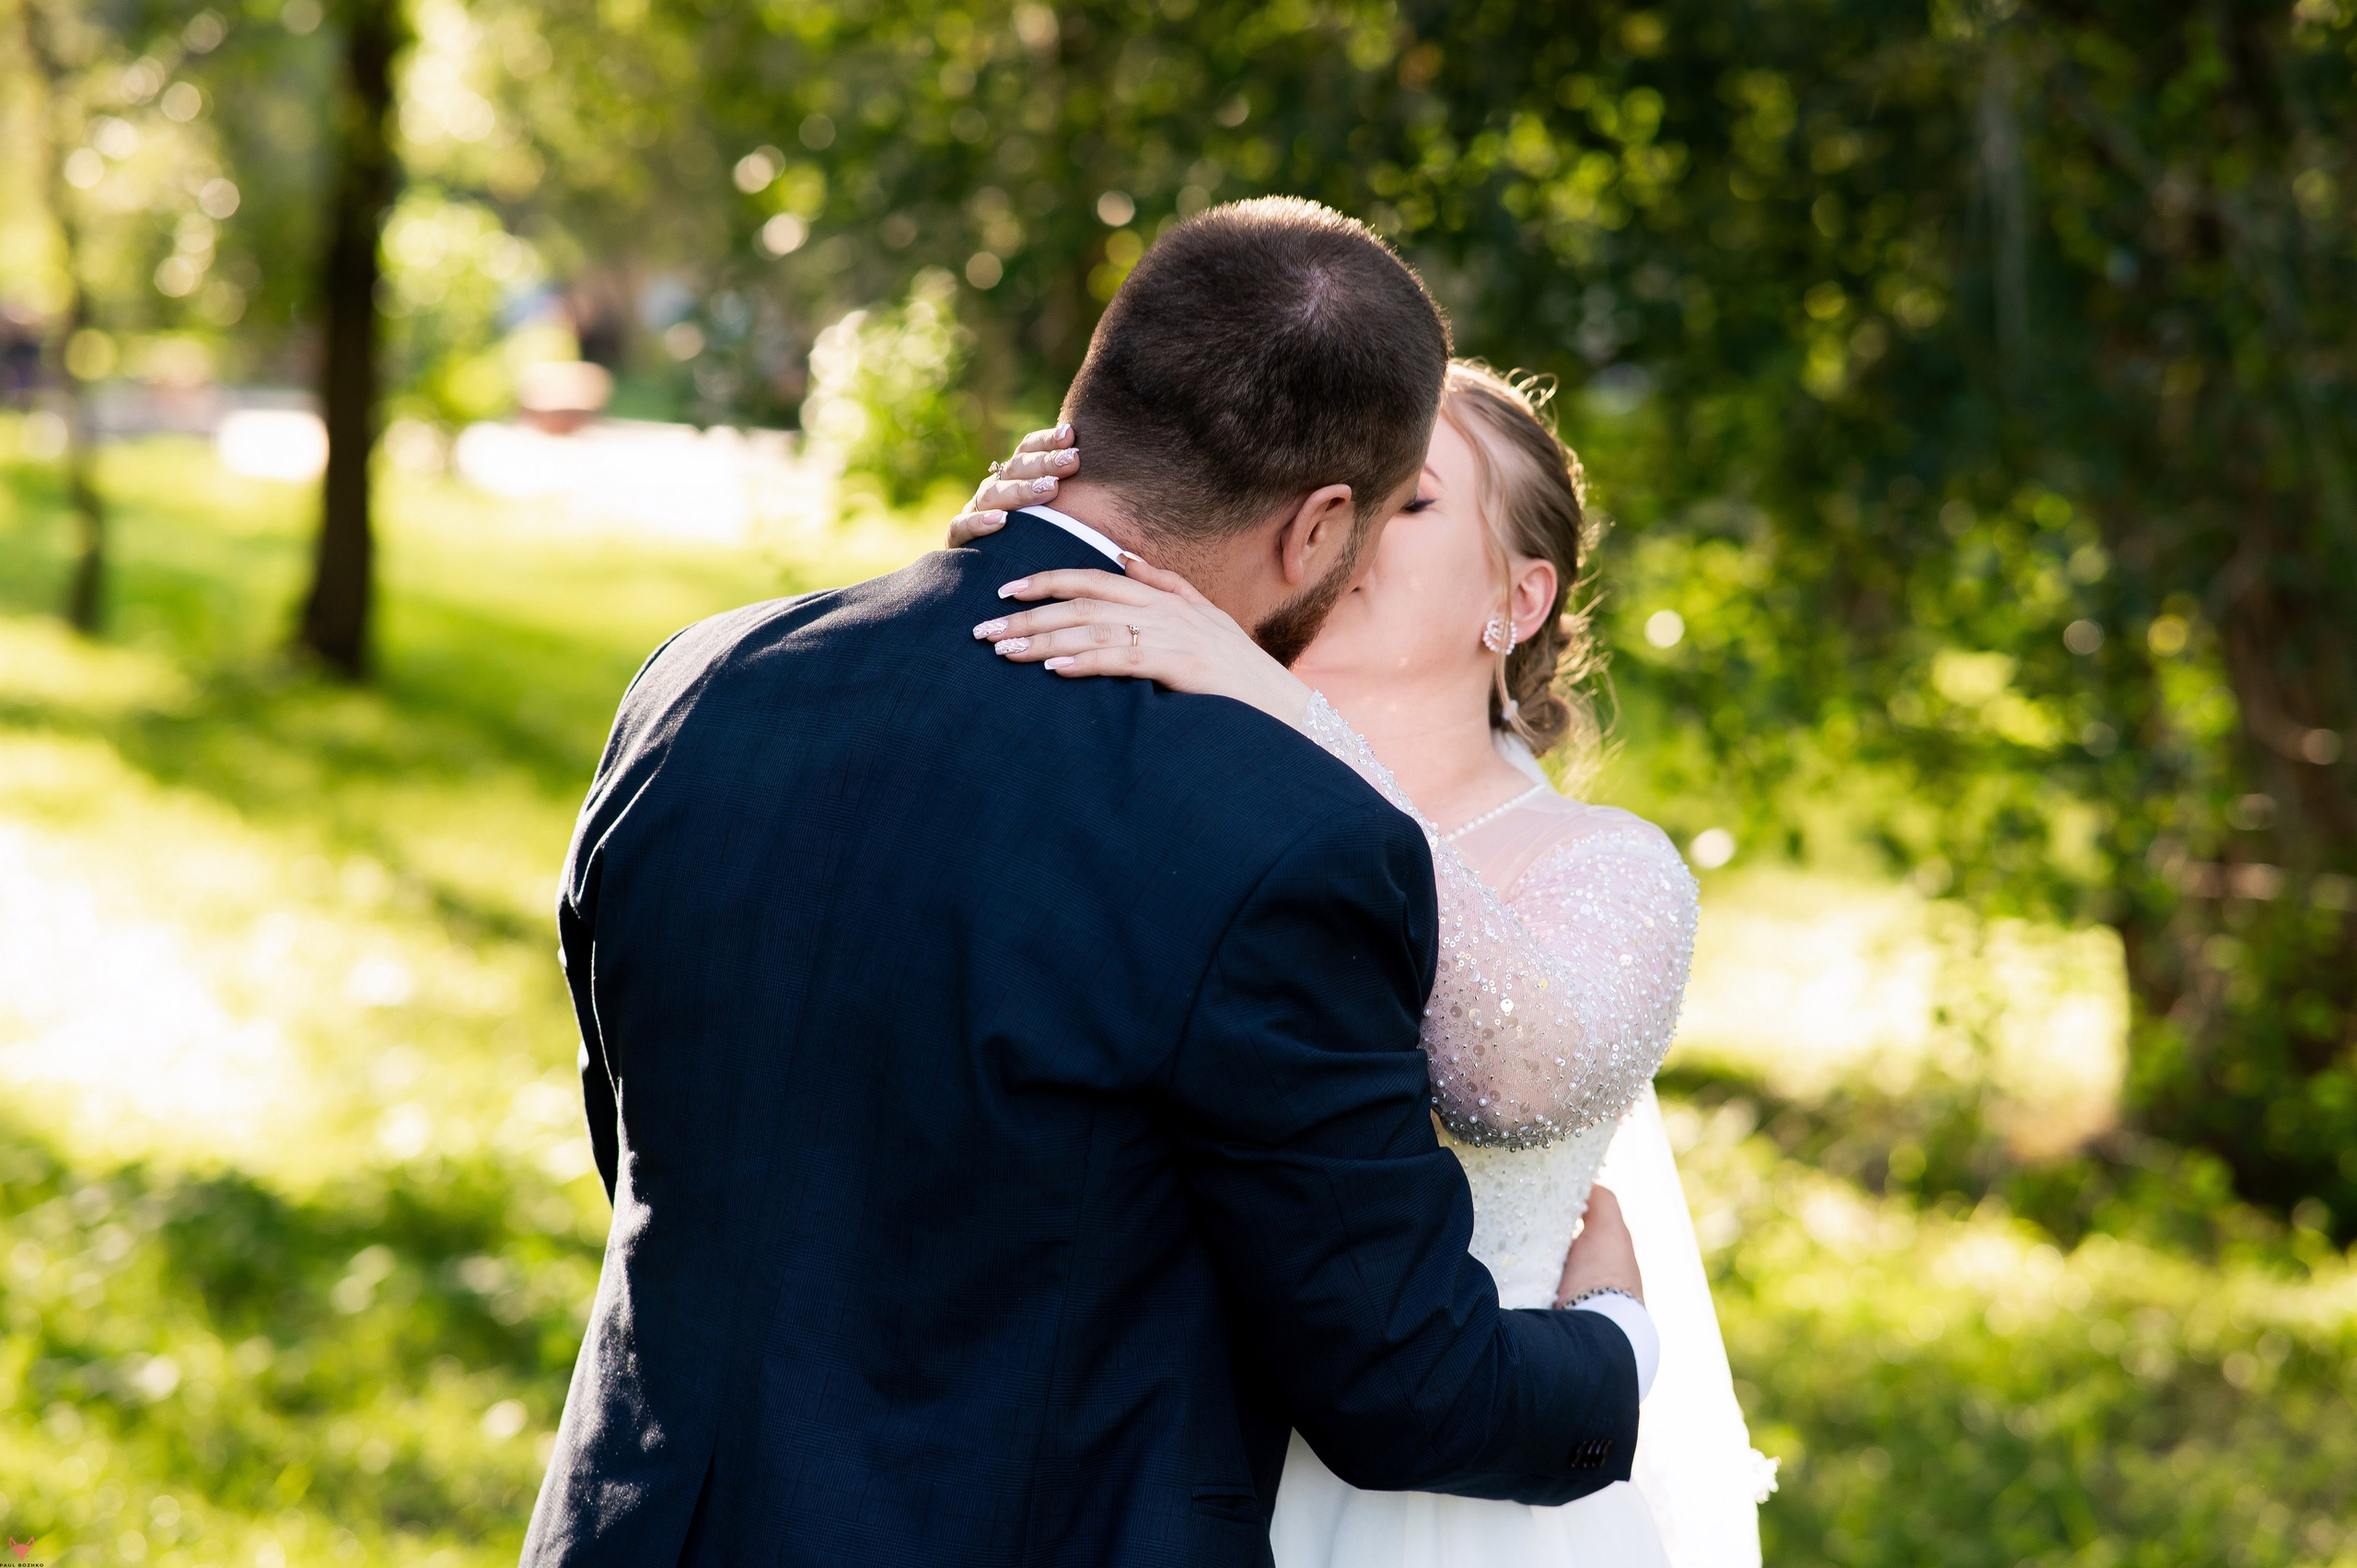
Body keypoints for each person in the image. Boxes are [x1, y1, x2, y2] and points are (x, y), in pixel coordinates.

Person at [524, 199, 1655, 1568]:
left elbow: (656, 1138)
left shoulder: (701, 681)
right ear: (1318, 529)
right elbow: (1404, 1386)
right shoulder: (1278, 836)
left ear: (1091, 404)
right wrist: (1616, 1350)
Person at [948, 359, 1777, 1566]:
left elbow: (1524, 1071)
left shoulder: (1607, 865)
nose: (1349, 521)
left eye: (1416, 497)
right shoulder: (1167, 775)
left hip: (1459, 1499)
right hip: (1128, 1474)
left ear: (1522, 597)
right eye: (1336, 483)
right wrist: (1001, 558)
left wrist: (1299, 726)